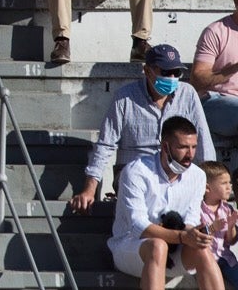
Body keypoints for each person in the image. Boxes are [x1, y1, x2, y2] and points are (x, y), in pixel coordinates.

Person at [71, 44, 215, 213]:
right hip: (135, 171)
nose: (171, 77)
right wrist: (89, 189)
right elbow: (106, 144)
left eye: (176, 72)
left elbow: (203, 139)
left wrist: (212, 182)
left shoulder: (187, 94)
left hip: (176, 169)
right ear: (147, 71)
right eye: (165, 72)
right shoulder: (124, 97)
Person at [107, 116, 223, 290]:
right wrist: (183, 237)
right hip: (131, 248)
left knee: (203, 250)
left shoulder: (198, 176)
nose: (190, 154)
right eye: (183, 147)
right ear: (165, 147)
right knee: (157, 245)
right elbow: (139, 226)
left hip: (174, 253)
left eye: (193, 147)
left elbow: (189, 222)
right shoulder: (136, 172)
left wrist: (197, 234)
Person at [194, 0, 238, 143]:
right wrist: (233, 69)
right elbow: (197, 79)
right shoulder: (216, 31)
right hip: (216, 100)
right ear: (236, 0)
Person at [199, 160, 238, 283]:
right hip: (205, 261)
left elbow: (231, 241)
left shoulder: (227, 209)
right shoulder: (197, 209)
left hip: (225, 259)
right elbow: (196, 236)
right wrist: (212, 228)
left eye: (230, 183)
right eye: (224, 183)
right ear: (207, 188)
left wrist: (231, 226)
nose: (229, 187)